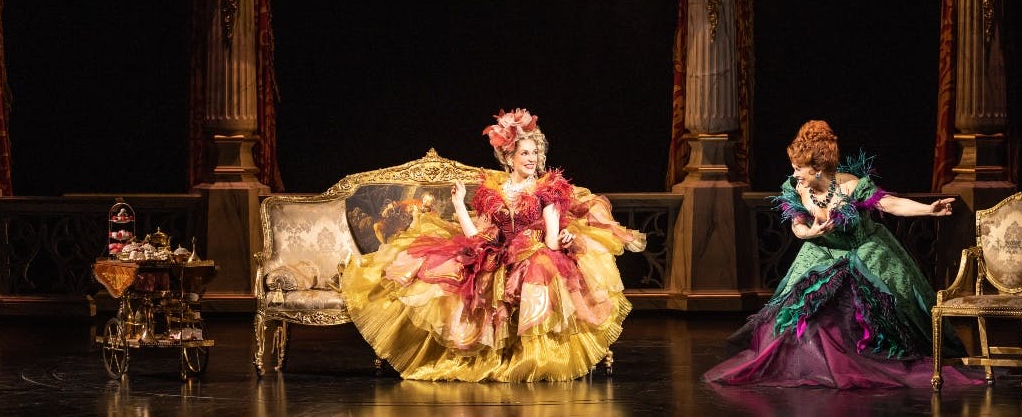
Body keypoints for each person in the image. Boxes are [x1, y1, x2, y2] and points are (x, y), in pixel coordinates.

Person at [340, 108, 646, 382]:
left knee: (537, 268)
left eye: (535, 153)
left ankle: (533, 358)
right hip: (496, 251)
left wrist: (566, 239)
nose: (531, 159)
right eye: (525, 153)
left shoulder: (547, 191)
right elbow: (476, 235)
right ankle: (483, 355)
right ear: (509, 157)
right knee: (451, 273)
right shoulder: (494, 191)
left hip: (533, 251)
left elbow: (552, 239)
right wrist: (459, 204)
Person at [703, 119, 980, 389]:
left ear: (818, 169)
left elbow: (889, 204)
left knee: (872, 309)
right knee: (802, 309)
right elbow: (797, 227)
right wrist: (811, 233)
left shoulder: (850, 186)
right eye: (794, 167)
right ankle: (812, 364)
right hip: (821, 252)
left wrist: (928, 209)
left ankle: (863, 360)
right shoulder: (796, 188)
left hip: (863, 251)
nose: (795, 174)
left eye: (800, 169)